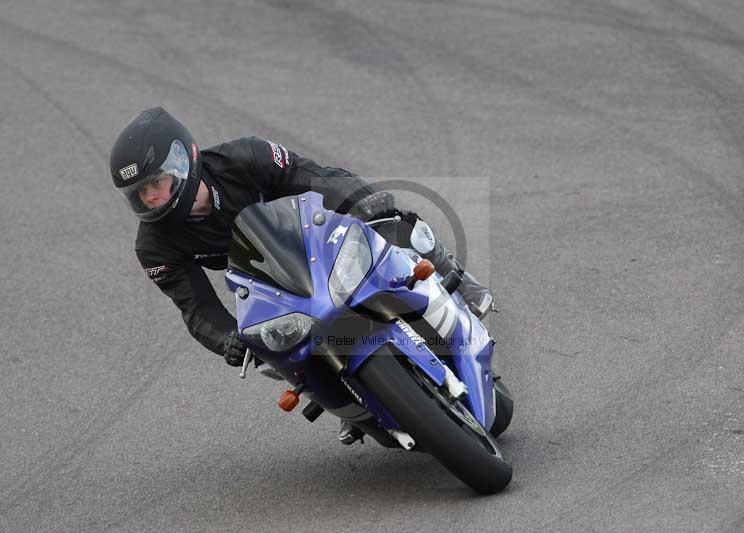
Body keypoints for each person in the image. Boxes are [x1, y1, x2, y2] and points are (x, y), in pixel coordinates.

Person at [109, 107, 494, 443]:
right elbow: (195, 307)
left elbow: (315, 176)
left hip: (317, 237)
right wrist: (226, 337)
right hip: (269, 287)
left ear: (183, 161)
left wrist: (363, 203)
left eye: (155, 185)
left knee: (396, 225)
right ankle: (353, 406)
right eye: (141, 194)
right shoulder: (154, 247)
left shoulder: (246, 156)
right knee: (270, 348)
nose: (152, 199)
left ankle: (453, 276)